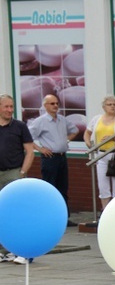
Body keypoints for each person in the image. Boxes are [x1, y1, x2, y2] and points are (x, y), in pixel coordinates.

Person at [28, 94, 79, 227]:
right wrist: (40, 149)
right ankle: (49, 217)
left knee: (63, 188)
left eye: (56, 103)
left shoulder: (62, 120)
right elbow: (27, 137)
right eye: (52, 103)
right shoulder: (40, 121)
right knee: (50, 188)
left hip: (62, 157)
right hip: (50, 158)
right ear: (45, 106)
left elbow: (75, 130)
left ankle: (64, 217)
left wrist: (65, 140)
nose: (55, 106)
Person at [0, 93, 35, 263]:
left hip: (13, 172)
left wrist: (22, 172)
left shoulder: (20, 127)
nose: (9, 110)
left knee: (16, 211)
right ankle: (2, 250)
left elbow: (29, 151)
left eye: (11, 107)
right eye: (6, 106)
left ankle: (21, 250)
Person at [83, 95, 115, 211]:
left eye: (114, 104)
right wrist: (89, 144)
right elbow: (87, 133)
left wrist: (113, 138)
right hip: (101, 155)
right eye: (110, 104)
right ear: (104, 107)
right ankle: (105, 211)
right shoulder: (97, 119)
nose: (112, 107)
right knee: (103, 186)